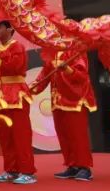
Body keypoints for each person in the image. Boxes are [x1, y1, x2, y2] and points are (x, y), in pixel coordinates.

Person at [31, 49, 95, 181]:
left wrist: (67, 69)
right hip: (57, 101)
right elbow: (44, 76)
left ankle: (84, 167)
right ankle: (72, 165)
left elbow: (82, 77)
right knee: (64, 135)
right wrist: (30, 89)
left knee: (78, 136)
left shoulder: (76, 51)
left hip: (74, 99)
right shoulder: (52, 53)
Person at [0, 21, 36, 185]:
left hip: (17, 94)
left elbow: (14, 67)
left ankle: (27, 171)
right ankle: (11, 169)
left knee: (21, 135)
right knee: (6, 136)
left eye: (0, 27)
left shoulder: (17, 46)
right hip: (2, 96)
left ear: (10, 29)